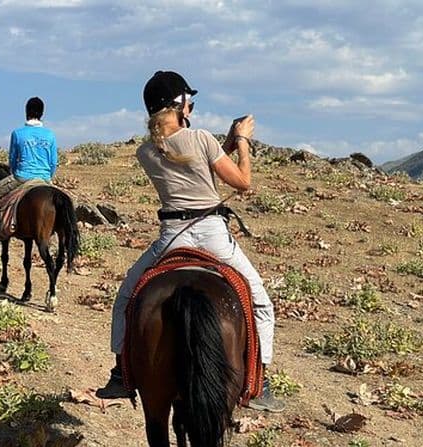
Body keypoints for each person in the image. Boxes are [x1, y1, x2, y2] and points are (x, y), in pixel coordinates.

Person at [96, 70, 285, 413]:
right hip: (212, 237)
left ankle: (121, 374)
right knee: (260, 302)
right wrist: (241, 140)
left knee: (125, 298)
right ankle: (260, 379)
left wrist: (221, 144)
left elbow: (192, 165)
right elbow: (242, 181)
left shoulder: (147, 151)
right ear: (179, 105)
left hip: (170, 238)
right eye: (190, 102)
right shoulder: (200, 138)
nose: (192, 108)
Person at [0, 96, 59, 242]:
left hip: (22, 176)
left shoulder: (18, 133)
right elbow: (53, 162)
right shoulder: (50, 135)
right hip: (44, 178)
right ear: (42, 113)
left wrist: (14, 173)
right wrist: (47, 177)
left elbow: (13, 159)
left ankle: (2, 228)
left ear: (26, 112)